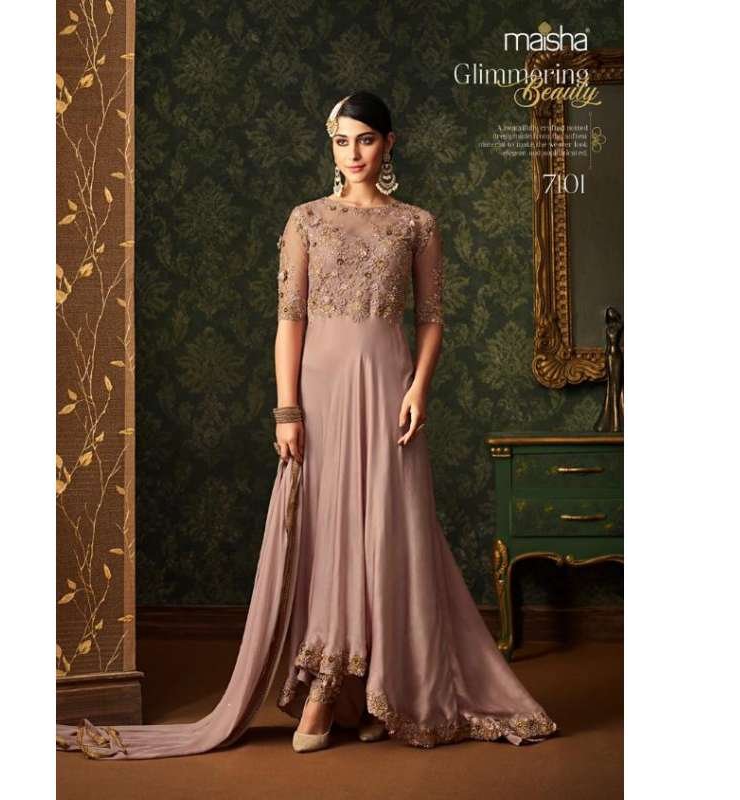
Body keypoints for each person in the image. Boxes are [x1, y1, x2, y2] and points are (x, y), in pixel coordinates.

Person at [56, 90, 557, 760]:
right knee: (329, 531)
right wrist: (286, 409)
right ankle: (329, 683)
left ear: (389, 144)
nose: (353, 154)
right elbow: (289, 320)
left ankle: (377, 690)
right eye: (342, 141)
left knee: (389, 531)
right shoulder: (307, 220)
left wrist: (419, 389)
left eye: (366, 140)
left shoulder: (416, 224)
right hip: (320, 394)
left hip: (388, 390)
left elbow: (432, 319)